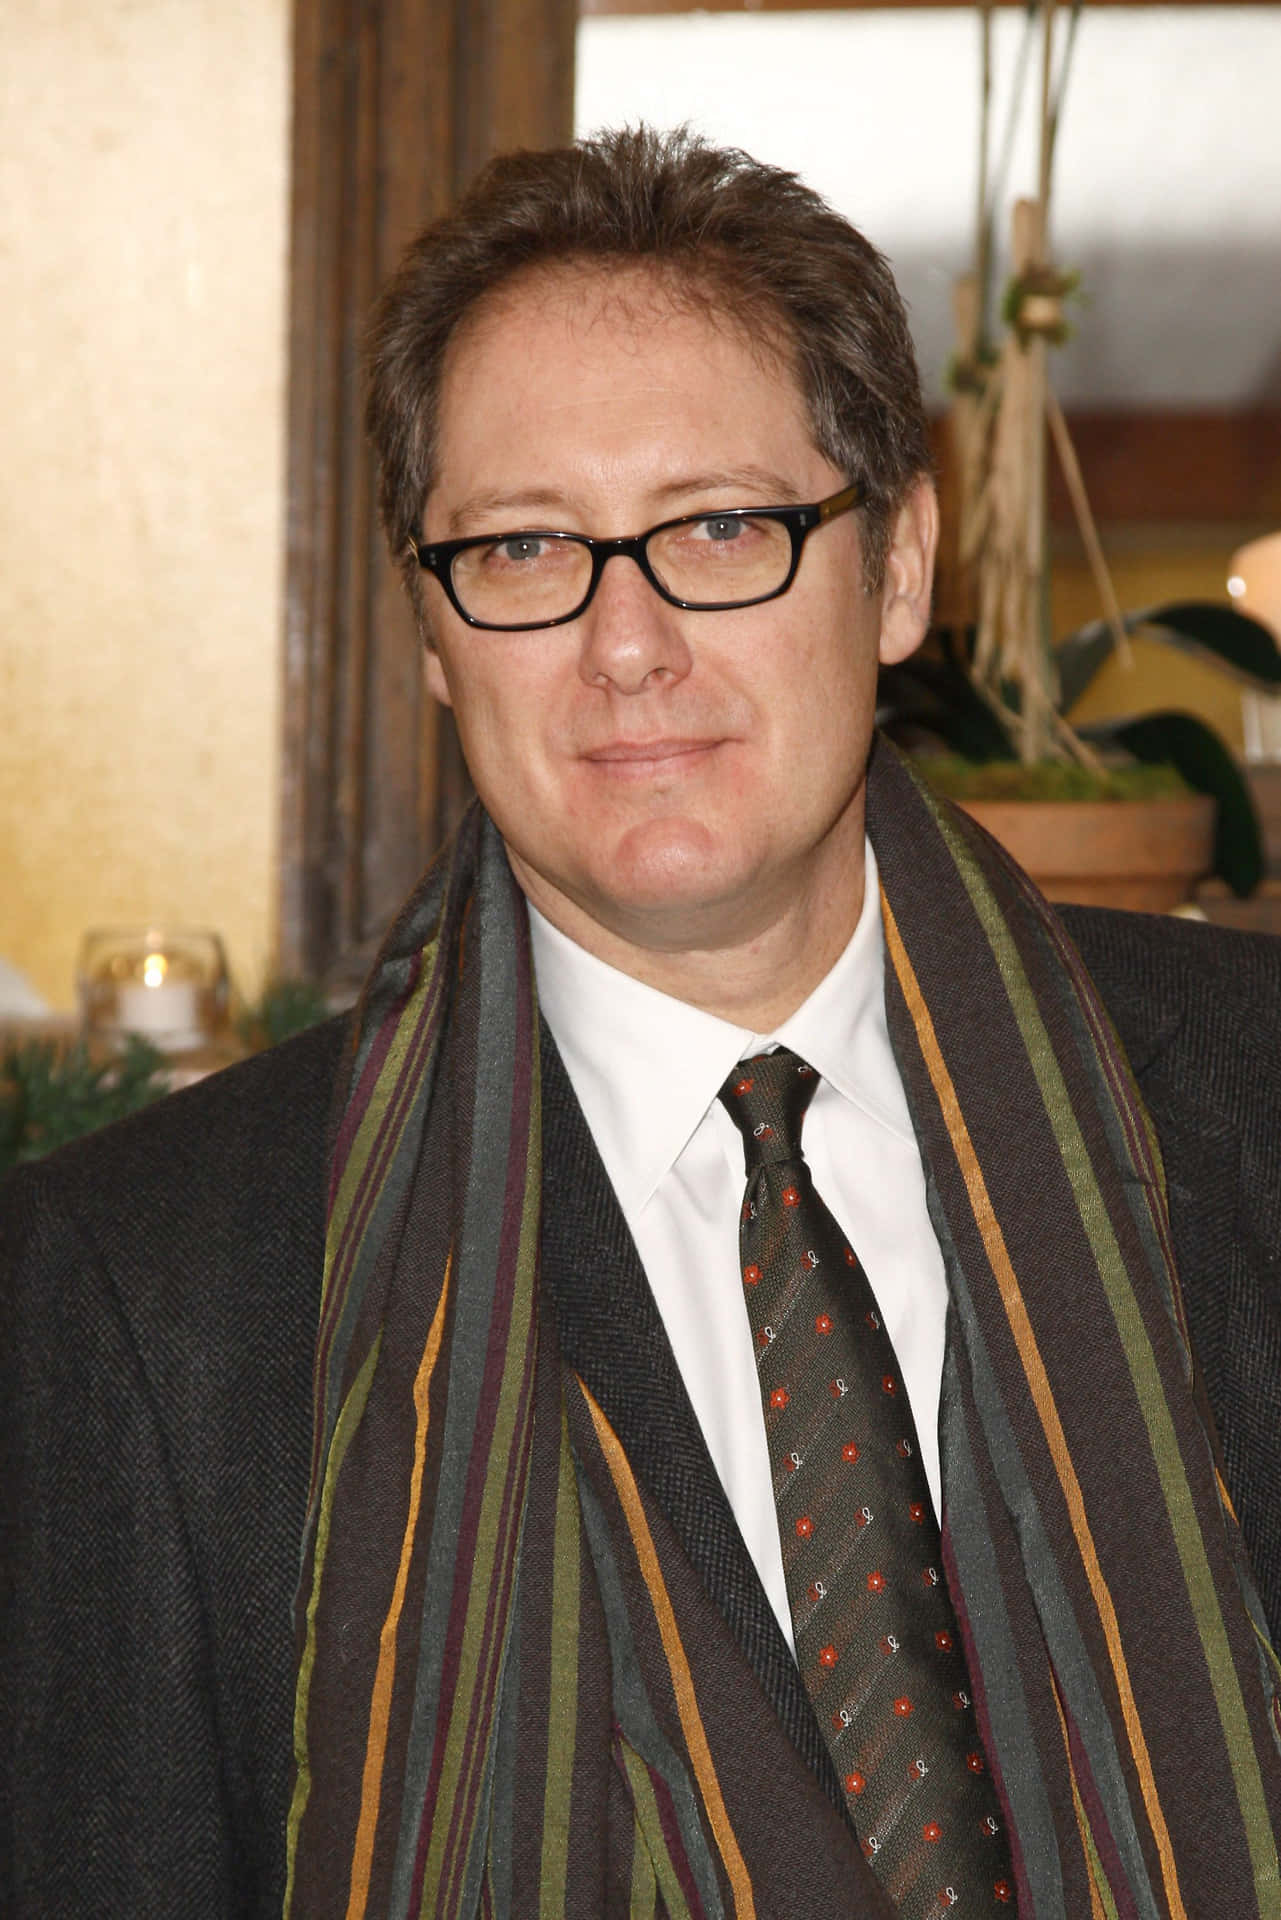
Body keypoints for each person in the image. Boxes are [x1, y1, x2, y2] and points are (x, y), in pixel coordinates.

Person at [4, 126, 1280, 1920]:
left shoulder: (1248, 1101)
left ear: (898, 566)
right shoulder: (155, 1285)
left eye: (718, 528)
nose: (625, 641)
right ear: (435, 635)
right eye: (524, 550)